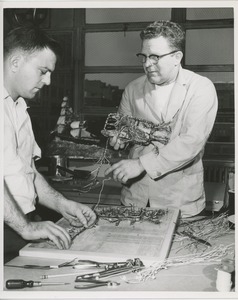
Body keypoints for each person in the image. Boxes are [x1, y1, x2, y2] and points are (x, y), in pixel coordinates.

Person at [105, 20, 218, 218]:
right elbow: (123, 131)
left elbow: (191, 143)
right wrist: (119, 140)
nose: (147, 64)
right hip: (134, 199)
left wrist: (140, 164)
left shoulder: (200, 88)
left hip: (179, 202)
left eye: (155, 57)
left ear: (177, 57)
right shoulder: (133, 89)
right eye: (144, 56)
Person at [3, 25, 96, 262]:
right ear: (15, 63)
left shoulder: (19, 109)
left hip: (20, 221)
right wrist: (26, 228)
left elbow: (29, 173)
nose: (48, 81)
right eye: (43, 71)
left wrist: (64, 205)